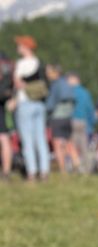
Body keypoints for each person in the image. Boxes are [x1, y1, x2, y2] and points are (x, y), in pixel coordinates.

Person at [12, 35, 51, 182]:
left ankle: (32, 172)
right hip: (39, 103)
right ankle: (44, 171)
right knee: (41, 138)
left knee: (27, 140)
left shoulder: (21, 63)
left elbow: (17, 84)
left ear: (25, 47)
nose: (18, 48)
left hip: (25, 103)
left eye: (20, 45)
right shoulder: (39, 63)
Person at [45, 64, 80, 174]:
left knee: (57, 144)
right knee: (68, 141)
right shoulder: (67, 84)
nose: (47, 74)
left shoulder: (55, 85)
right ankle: (76, 163)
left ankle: (62, 169)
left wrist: (44, 110)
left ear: (56, 73)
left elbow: (50, 104)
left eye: (49, 72)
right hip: (68, 117)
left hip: (57, 117)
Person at [66, 71, 96, 174]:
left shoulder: (69, 91)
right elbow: (90, 109)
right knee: (84, 146)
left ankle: (72, 167)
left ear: (74, 79)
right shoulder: (85, 92)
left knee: (71, 146)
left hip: (71, 120)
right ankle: (87, 168)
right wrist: (91, 124)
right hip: (83, 121)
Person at [0, 51, 14, 180]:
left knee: (4, 139)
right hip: (3, 109)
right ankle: (6, 171)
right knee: (4, 139)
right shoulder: (9, 73)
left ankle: (6, 171)